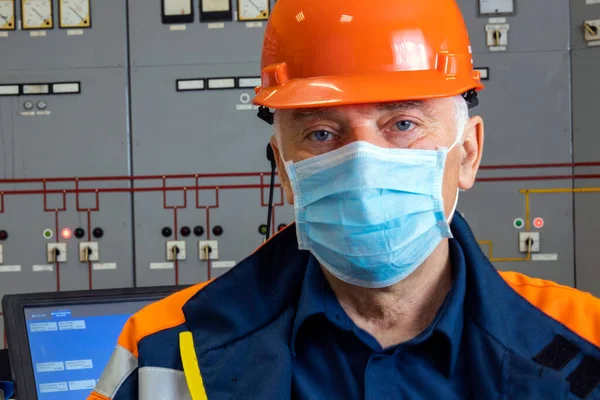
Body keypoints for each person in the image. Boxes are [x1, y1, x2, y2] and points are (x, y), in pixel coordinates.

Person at [89, 0, 600, 399]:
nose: (361, 163)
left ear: (467, 153)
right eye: (321, 133)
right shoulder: (163, 352)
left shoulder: (585, 339)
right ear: (284, 171)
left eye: (402, 124)